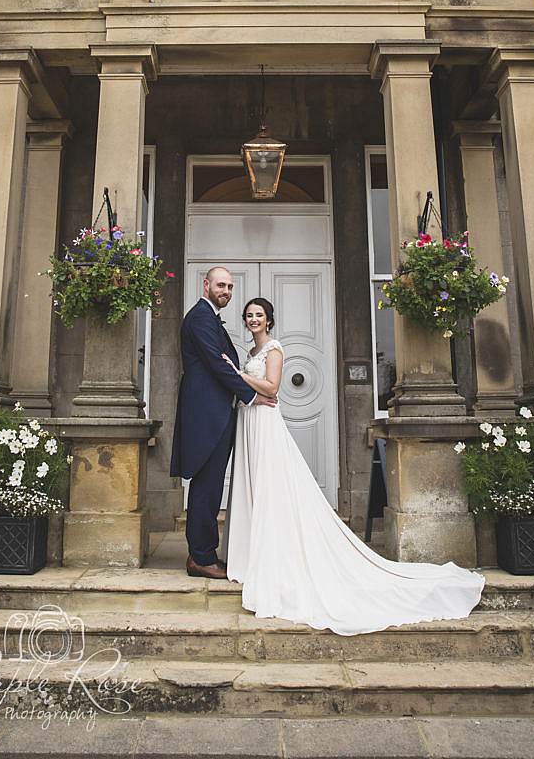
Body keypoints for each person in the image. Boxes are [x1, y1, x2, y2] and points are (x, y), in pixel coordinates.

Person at [220, 296, 485, 635]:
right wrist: (247, 380)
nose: (253, 320)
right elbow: (260, 390)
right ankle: (250, 553)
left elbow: (272, 388)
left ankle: (273, 555)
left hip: (265, 423)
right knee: (253, 484)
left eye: (259, 315)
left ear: (269, 320)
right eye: (248, 316)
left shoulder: (273, 349)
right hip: (251, 418)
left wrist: (239, 375)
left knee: (271, 486)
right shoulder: (252, 352)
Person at [170, 267, 277, 579]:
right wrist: (251, 396)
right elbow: (218, 364)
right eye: (220, 285)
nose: (226, 290)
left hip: (216, 414)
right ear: (206, 285)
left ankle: (205, 552)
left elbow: (224, 363)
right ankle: (201, 557)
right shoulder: (201, 317)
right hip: (206, 416)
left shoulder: (210, 317)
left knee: (211, 485)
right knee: (206, 486)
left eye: (230, 286)